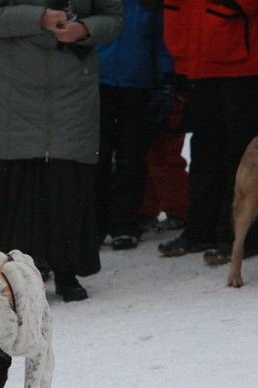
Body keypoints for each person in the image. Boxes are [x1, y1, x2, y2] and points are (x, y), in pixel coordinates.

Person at [0, 0, 123, 301]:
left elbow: (114, 19)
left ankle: (67, 271)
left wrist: (85, 29)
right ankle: (14, 274)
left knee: (66, 182)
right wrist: (37, 18)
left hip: (73, 91)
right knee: (18, 183)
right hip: (15, 93)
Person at [158, 0, 258, 265]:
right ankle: (201, 229)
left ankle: (238, 234)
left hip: (248, 57)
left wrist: (227, 6)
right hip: (203, 52)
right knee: (206, 150)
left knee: (241, 154)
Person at [94, 0, 170, 251]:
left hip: (138, 81)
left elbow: (161, 36)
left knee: (132, 157)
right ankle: (94, 223)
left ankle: (124, 223)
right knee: (97, 155)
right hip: (98, 80)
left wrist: (164, 80)